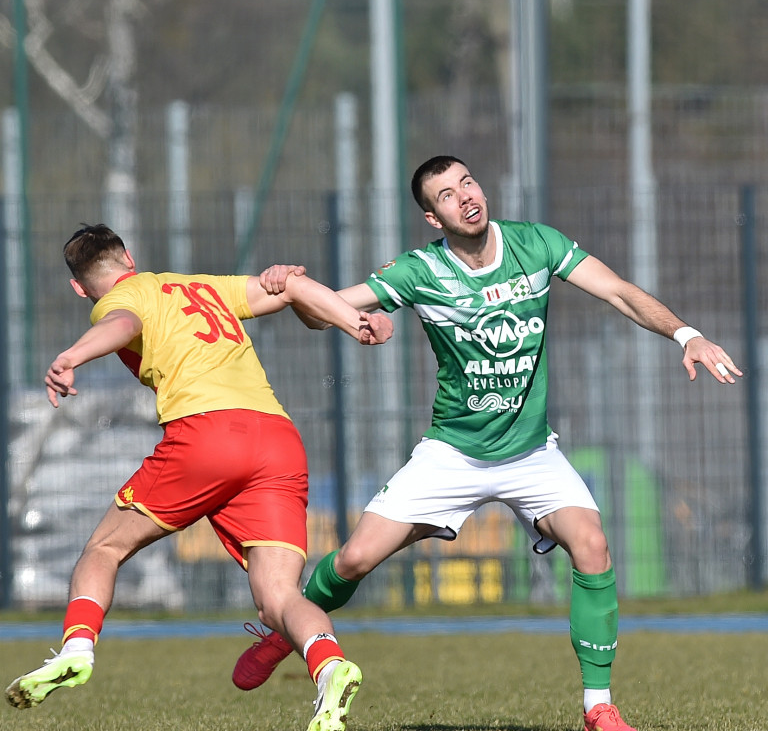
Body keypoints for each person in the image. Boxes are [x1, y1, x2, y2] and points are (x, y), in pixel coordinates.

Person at [233, 155, 742, 731]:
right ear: (432, 216)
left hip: (531, 454)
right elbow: (328, 316)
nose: (466, 197)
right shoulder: (418, 269)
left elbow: (619, 292)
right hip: (452, 453)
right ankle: (288, 627)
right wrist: (292, 286)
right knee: (353, 558)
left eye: (468, 183)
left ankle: (597, 707)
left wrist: (687, 334)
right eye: (448, 195)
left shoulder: (536, 244)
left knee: (593, 545)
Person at [5, 224, 394, 731]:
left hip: (207, 435)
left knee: (103, 550)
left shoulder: (118, 300)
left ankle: (76, 649)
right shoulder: (205, 286)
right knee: (279, 597)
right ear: (130, 255)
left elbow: (121, 322)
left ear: (79, 288)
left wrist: (72, 356)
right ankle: (330, 667)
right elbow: (294, 287)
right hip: (277, 440)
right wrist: (355, 321)